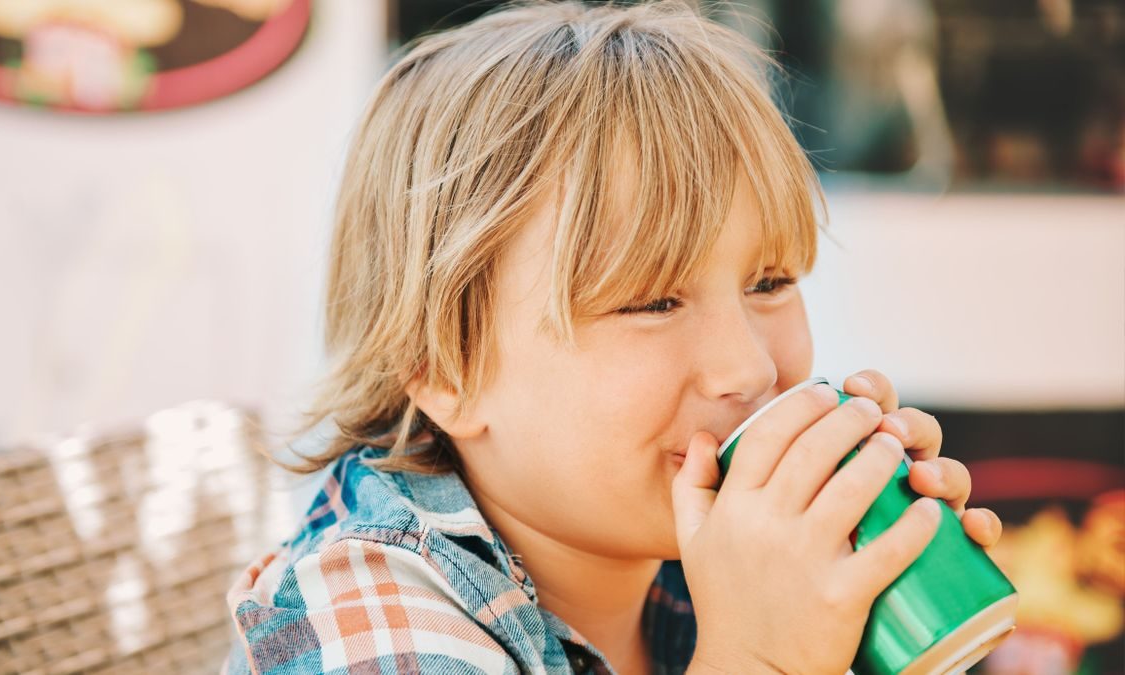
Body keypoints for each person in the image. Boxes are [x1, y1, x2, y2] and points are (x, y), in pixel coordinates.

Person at [222, 1, 1003, 673]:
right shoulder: (363, 614)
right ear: (447, 368)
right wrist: (759, 656)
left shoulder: (690, 566)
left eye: (769, 283)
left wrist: (860, 619)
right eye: (653, 301)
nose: (750, 366)